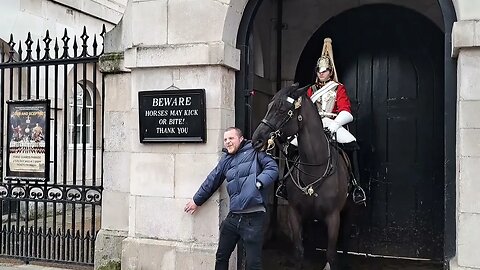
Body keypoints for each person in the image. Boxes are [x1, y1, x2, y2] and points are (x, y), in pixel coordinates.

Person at [277, 38, 366, 204]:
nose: (321, 73)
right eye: (319, 70)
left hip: (332, 123)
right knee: (291, 146)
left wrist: (335, 124)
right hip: (312, 126)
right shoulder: (311, 90)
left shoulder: (338, 88)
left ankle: (356, 186)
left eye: (324, 70)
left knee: (352, 145)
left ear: (330, 71)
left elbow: (346, 110)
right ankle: (284, 183)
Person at [184, 127, 279, 270]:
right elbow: (212, 180)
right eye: (225, 139)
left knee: (253, 264)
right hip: (233, 216)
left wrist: (258, 183)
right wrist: (196, 201)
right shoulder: (226, 160)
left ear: (241, 139)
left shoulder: (255, 151)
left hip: (253, 218)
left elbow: (272, 168)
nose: (228, 142)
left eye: (231, 138)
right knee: (221, 256)